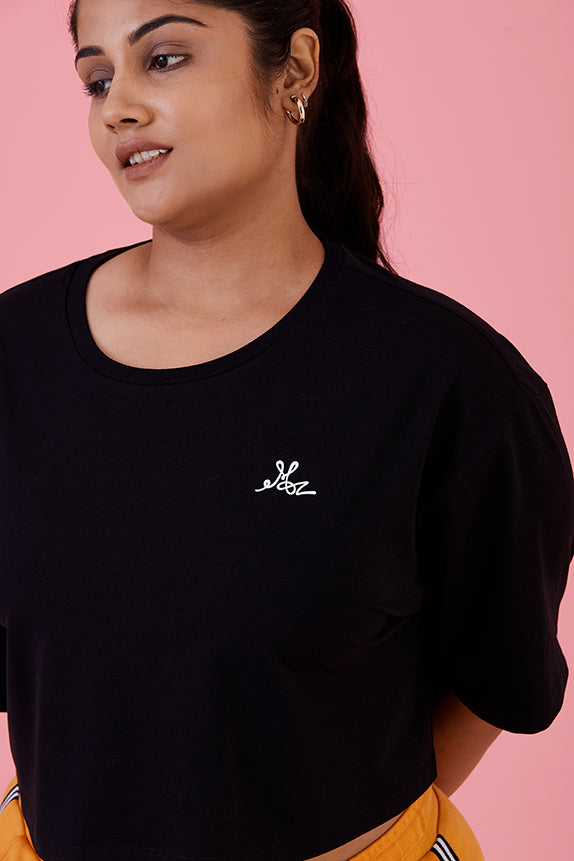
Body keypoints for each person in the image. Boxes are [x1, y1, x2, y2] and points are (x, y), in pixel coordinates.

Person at [0, 0, 572, 859]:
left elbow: (498, 679)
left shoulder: (448, 379)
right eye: (97, 78)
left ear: (297, 68)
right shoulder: (14, 355)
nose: (118, 106)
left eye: (164, 58)